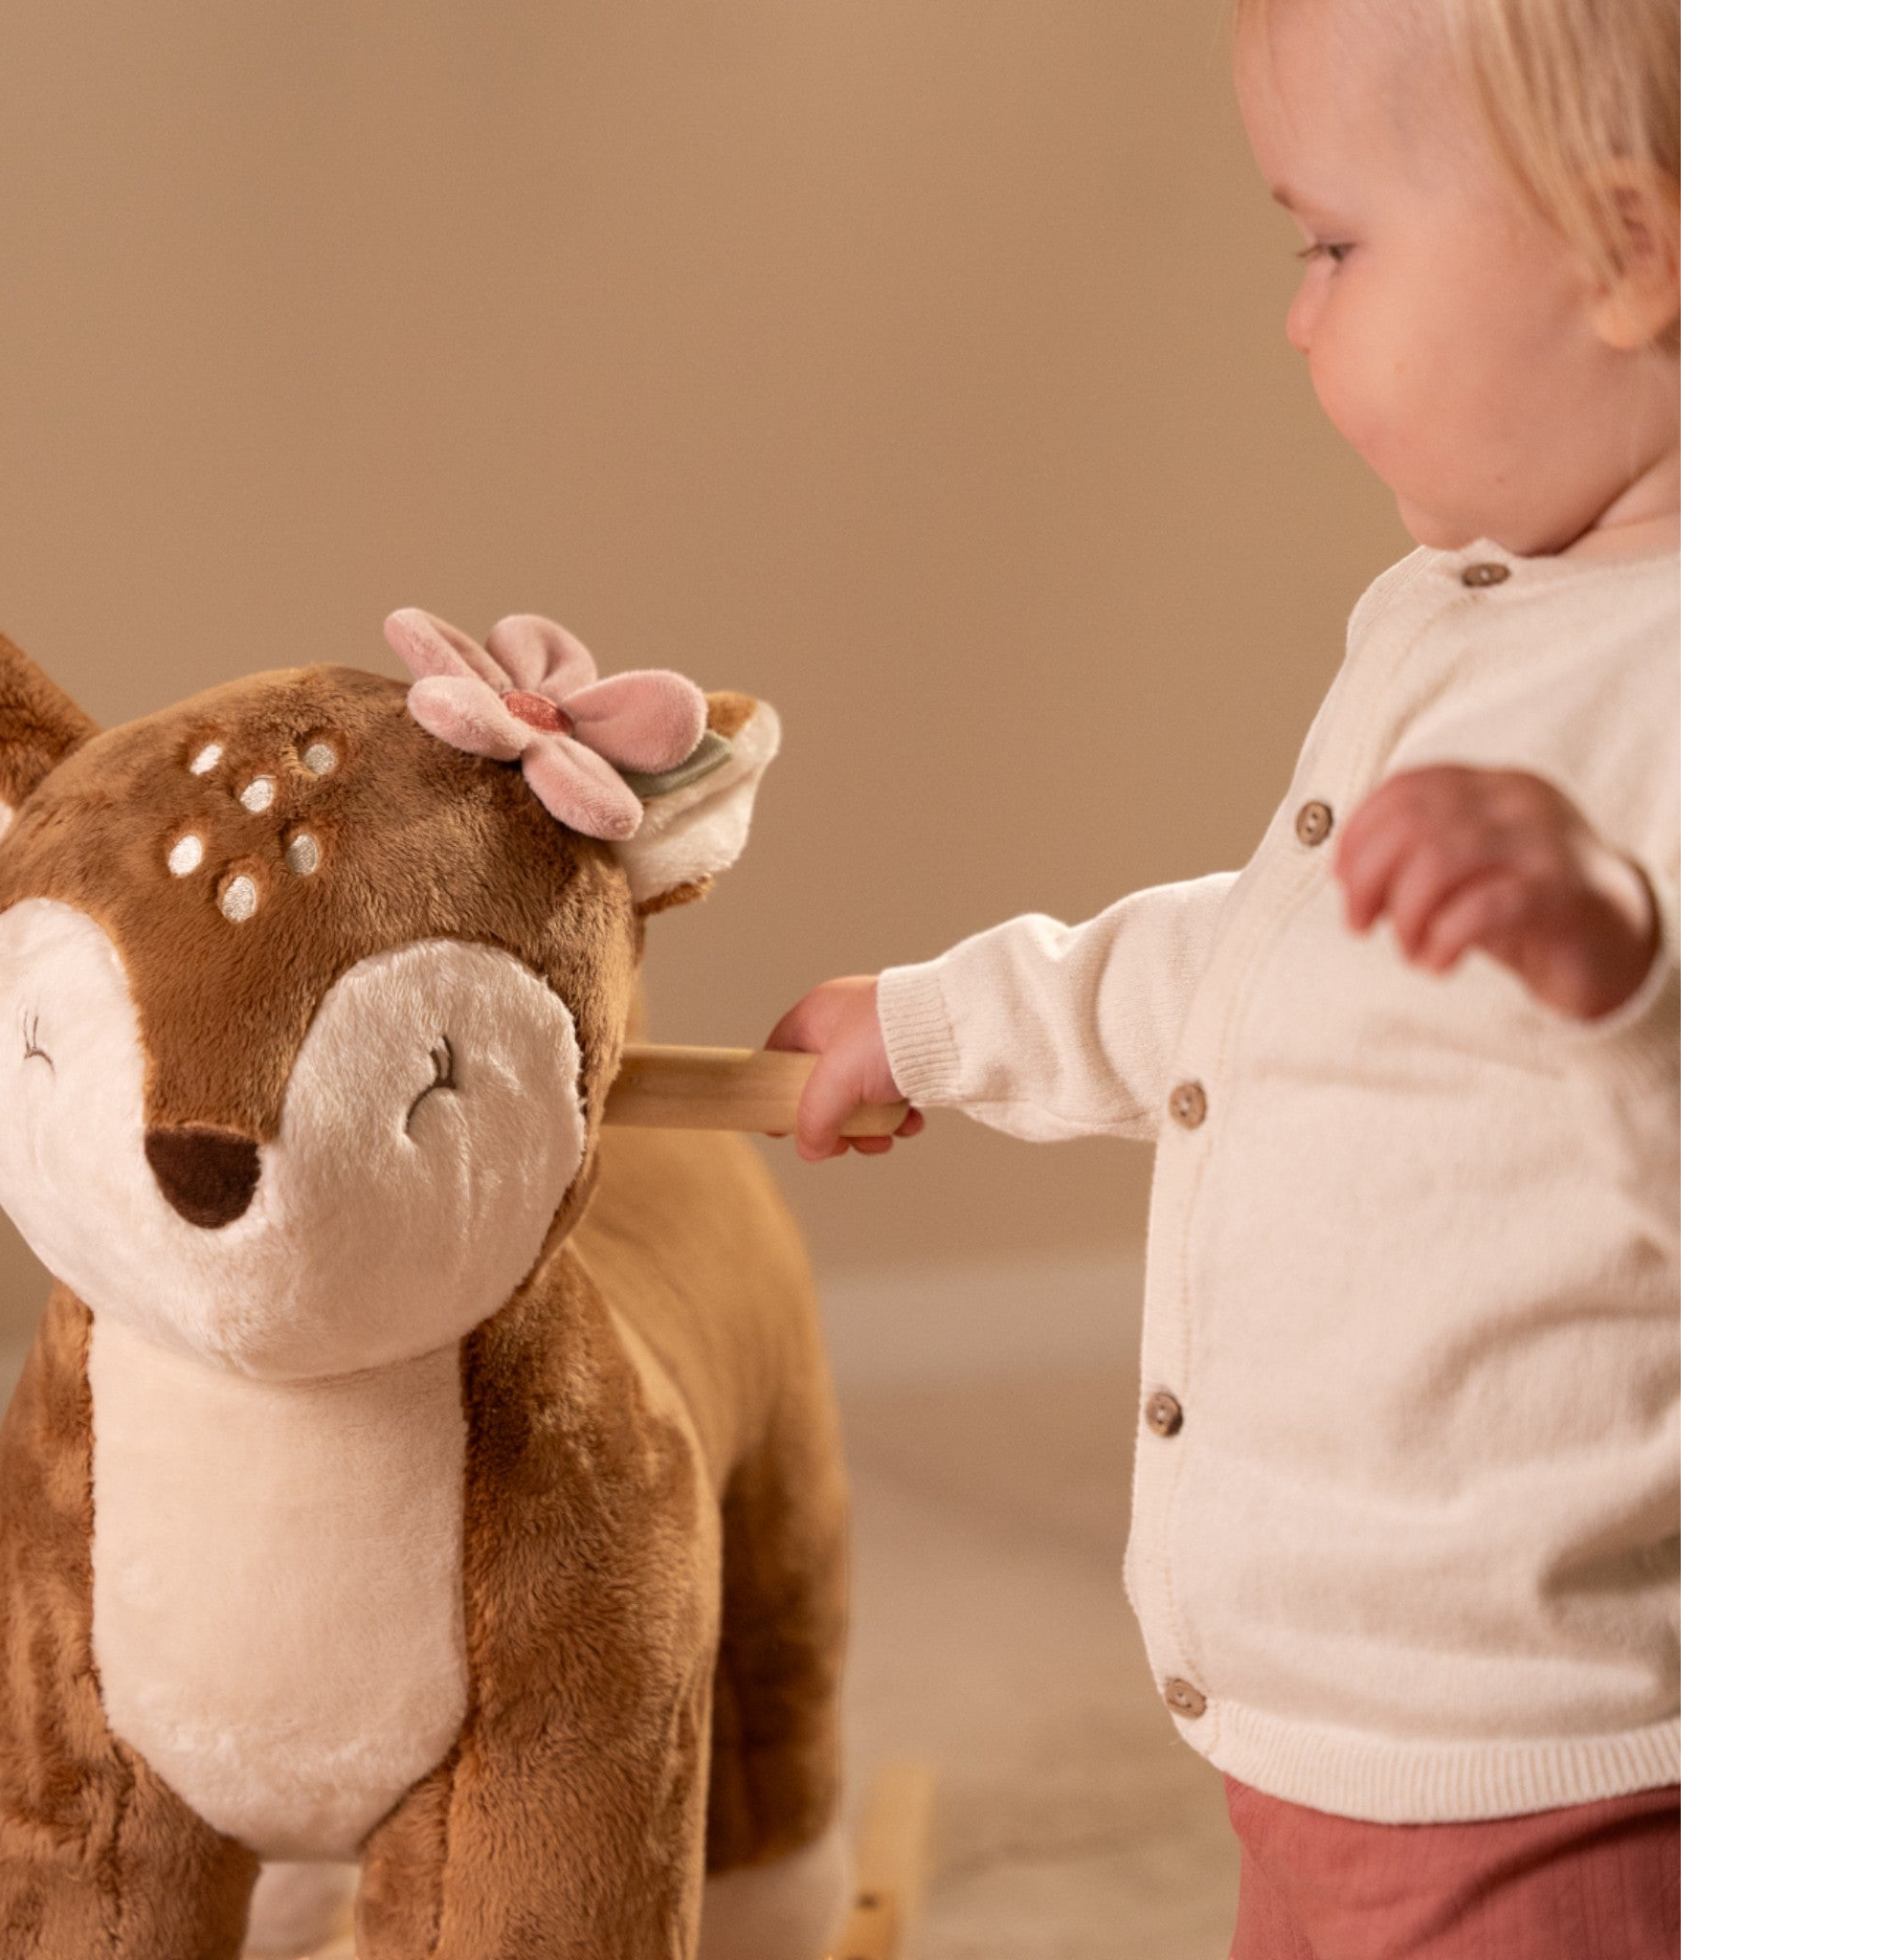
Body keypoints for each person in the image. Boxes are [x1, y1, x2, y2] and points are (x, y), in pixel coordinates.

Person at [765, 2, 1680, 1951]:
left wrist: (1621, 968)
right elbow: (1269, 962)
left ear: (1631, 254)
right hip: (1320, 1725)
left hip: (1552, 1757)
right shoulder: (1455, 613)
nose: (1293, 315)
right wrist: (945, 1019)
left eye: (1331, 243)